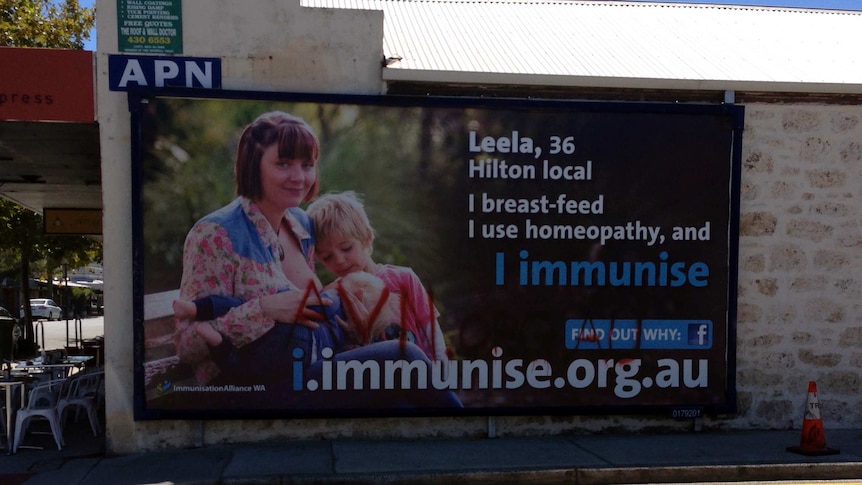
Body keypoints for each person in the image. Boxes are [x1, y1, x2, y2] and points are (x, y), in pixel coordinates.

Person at [172, 111, 460, 410]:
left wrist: (355, 331)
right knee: (404, 357)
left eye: (307, 165)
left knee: (404, 403)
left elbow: (311, 320)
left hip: (312, 367)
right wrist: (264, 309)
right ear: (253, 166)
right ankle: (471, 437)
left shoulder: (300, 226)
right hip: (251, 387)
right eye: (283, 163)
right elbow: (187, 344)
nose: (299, 177)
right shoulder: (216, 234)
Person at [306, 191, 449, 365]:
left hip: (419, 376)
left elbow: (431, 334)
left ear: (367, 238)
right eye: (327, 257)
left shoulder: (403, 279)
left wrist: (440, 374)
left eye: (346, 248)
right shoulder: (333, 297)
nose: (339, 261)